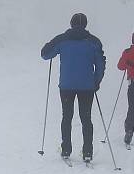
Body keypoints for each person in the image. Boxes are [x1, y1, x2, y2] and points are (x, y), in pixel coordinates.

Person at [40, 13, 106, 162]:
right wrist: (96, 81)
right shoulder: (93, 42)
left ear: (71, 23)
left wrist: (46, 45)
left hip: (66, 85)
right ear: (85, 24)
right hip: (87, 86)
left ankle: (66, 150)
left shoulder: (62, 40)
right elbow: (101, 64)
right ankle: (87, 152)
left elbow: (45, 54)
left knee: (67, 117)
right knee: (86, 118)